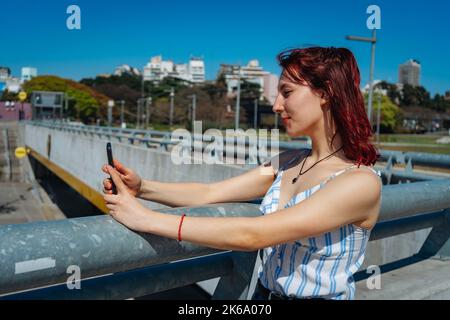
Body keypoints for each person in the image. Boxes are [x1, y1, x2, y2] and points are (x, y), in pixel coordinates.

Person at [101, 46, 382, 300]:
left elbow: (255, 235)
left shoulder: (359, 182)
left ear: (325, 92)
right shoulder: (287, 162)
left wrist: (146, 219)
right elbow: (211, 193)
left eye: (287, 92)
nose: (276, 106)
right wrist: (143, 187)